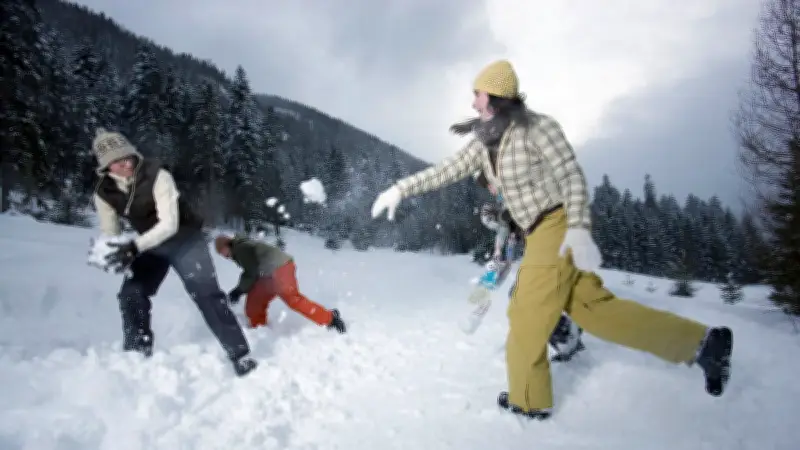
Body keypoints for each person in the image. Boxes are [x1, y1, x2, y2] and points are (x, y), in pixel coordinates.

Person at [370, 59, 733, 419]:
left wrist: (578, 227)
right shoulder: (484, 142)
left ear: (496, 95)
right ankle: (703, 345)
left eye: (477, 94)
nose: (473, 103)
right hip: (538, 232)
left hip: (556, 228)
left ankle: (529, 400)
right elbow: (447, 169)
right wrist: (401, 189)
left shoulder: (538, 129)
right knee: (596, 311)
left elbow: (572, 177)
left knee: (526, 315)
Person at [91, 128, 257, 377]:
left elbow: (169, 224)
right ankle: (137, 356)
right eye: (115, 162)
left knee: (206, 294)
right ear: (105, 168)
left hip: (185, 239)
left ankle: (240, 355)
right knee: (131, 294)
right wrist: (112, 252)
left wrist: (133, 247)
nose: (124, 164)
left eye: (126, 156)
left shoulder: (158, 175)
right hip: (151, 246)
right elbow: (111, 232)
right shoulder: (104, 192)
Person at [475, 172, 586, 361]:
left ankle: (566, 335)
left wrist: (505, 217)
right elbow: (506, 251)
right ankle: (567, 331)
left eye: (490, 185)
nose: (491, 190)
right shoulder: (507, 207)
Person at [214, 234, 347, 333]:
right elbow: (253, 271)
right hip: (269, 273)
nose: (224, 256)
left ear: (227, 245)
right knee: (255, 301)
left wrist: (239, 290)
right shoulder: (240, 248)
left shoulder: (240, 248)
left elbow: (251, 271)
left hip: (280, 269)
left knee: (292, 299)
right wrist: (240, 290)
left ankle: (330, 318)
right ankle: (260, 329)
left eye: (222, 251)